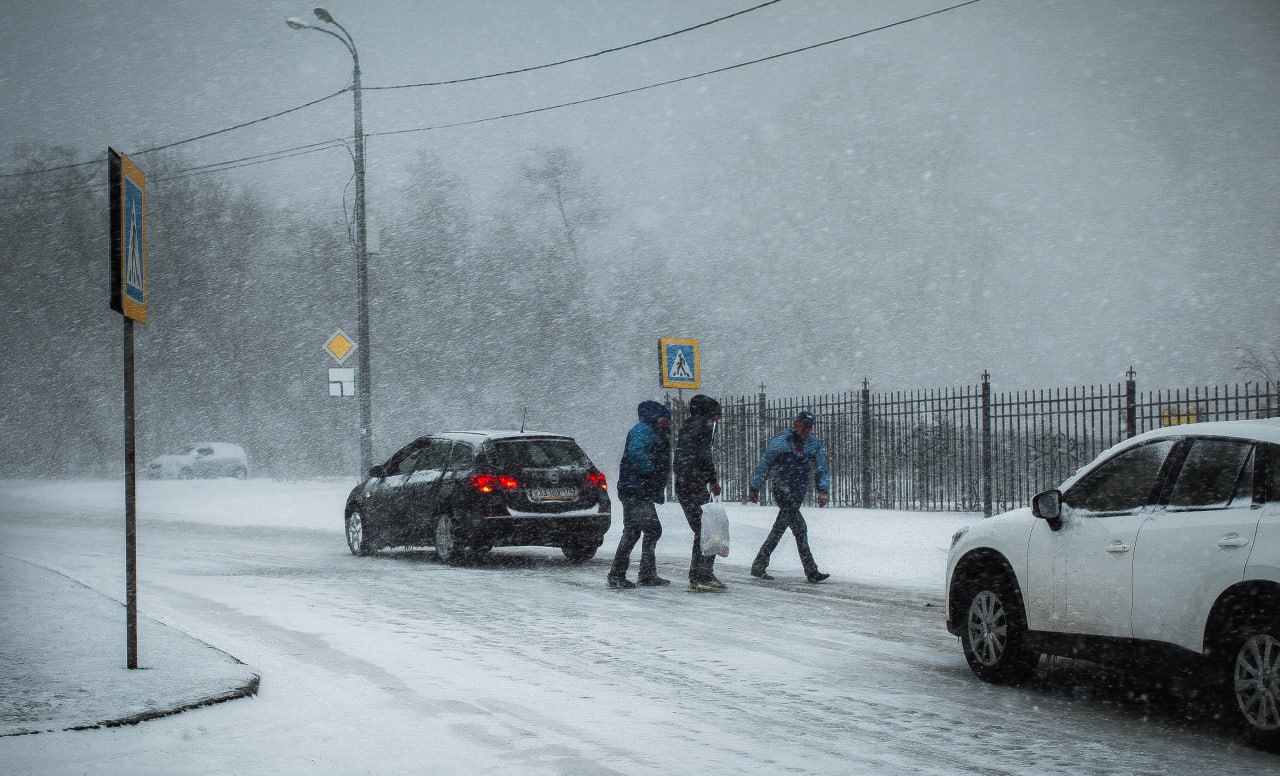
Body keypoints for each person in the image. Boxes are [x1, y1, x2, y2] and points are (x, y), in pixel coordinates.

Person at [748, 410, 832, 583]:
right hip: (782, 490)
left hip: (798, 492)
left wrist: (822, 490)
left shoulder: (813, 444)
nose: (807, 429)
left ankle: (759, 564)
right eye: (804, 425)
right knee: (800, 529)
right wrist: (755, 487)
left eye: (810, 426)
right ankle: (811, 571)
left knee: (779, 529)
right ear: (796, 424)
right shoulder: (781, 443)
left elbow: (821, 468)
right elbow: (764, 465)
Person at [607, 400, 673, 588]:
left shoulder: (649, 431)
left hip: (635, 489)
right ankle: (640, 574)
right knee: (652, 530)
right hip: (636, 490)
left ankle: (620, 574)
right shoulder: (644, 430)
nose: (668, 424)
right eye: (666, 420)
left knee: (633, 531)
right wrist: (650, 470)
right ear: (657, 418)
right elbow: (636, 452)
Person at [674, 394, 724, 592]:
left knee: (705, 529)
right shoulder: (703, 426)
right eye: (716, 414)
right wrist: (712, 479)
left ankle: (702, 573)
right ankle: (700, 575)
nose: (717, 419)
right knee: (707, 530)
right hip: (693, 484)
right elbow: (704, 455)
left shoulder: (688, 426)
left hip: (686, 484)